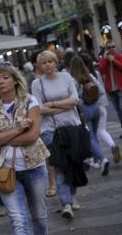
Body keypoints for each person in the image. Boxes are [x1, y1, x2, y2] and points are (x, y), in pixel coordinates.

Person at [0, 62, 52, 235]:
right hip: (7, 171)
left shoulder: (30, 101)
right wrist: (16, 130)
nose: (1, 82)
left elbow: (32, 136)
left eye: (5, 77)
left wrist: (2, 138)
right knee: (18, 220)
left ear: (14, 79)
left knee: (39, 215)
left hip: (34, 167)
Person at [31, 51, 83, 219]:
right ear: (39, 66)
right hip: (50, 130)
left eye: (50, 62)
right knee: (59, 166)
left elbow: (75, 100)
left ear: (55, 62)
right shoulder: (36, 84)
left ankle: (72, 195)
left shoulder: (66, 78)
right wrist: (64, 105)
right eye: (43, 63)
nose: (47, 65)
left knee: (73, 163)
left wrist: (53, 104)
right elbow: (39, 108)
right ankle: (66, 203)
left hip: (71, 125)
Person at [68, 56, 111, 175]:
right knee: (94, 135)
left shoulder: (73, 79)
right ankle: (97, 160)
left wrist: (81, 100)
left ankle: (103, 159)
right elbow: (101, 91)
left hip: (84, 110)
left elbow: (74, 98)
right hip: (96, 108)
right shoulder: (90, 76)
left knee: (90, 137)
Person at [80, 52, 121, 163]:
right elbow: (101, 89)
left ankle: (98, 157)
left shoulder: (80, 77)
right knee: (101, 130)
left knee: (93, 134)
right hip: (101, 105)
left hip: (89, 107)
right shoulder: (96, 73)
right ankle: (112, 145)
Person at [98, 40, 122, 140]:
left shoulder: (120, 56)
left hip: (121, 88)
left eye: (113, 46)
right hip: (111, 90)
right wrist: (105, 59)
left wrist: (113, 60)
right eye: (109, 47)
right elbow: (101, 71)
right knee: (119, 111)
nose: (111, 49)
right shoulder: (104, 59)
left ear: (115, 47)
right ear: (106, 49)